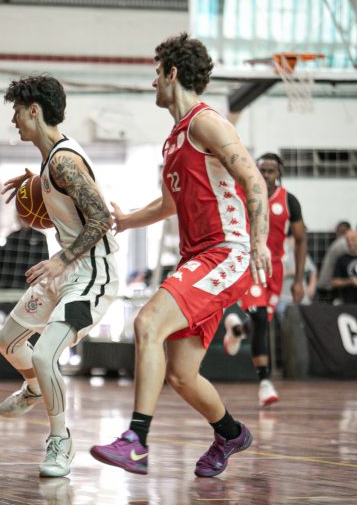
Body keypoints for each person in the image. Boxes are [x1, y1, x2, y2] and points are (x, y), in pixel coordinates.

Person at [90, 33, 271, 477]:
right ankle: (230, 433)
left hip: (226, 252)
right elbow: (170, 204)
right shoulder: (174, 140)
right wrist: (127, 220)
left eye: (157, 73)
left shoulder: (206, 123)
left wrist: (259, 242)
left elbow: (254, 180)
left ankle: (136, 442)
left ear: (172, 74)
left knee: (147, 323)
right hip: (199, 258)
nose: (153, 82)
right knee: (181, 375)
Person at [0, 74, 119, 478]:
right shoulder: (52, 162)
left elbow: (102, 219)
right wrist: (35, 184)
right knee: (6, 341)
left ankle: (60, 441)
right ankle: (34, 388)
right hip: (64, 270)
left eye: (17, 111)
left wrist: (61, 259)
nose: (13, 119)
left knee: (45, 354)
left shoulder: (64, 161)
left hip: (92, 273)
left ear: (34, 111)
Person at [221, 153, 307, 407]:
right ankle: (265, 382)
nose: (266, 175)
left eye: (271, 171)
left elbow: (301, 240)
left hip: (275, 269)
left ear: (278, 173)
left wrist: (298, 280)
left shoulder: (289, 201)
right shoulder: (241, 192)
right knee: (260, 317)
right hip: (248, 263)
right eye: (262, 170)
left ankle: (237, 330)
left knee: (261, 320)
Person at [316, 222, 357, 302]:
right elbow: (351, 263)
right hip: (328, 286)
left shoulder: (343, 242)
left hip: (328, 285)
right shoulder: (346, 244)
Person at [0, 222, 49, 289]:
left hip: (33, 283)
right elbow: (4, 262)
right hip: (13, 283)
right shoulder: (12, 236)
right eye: (20, 217)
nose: (22, 220)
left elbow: (44, 260)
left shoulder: (40, 237)